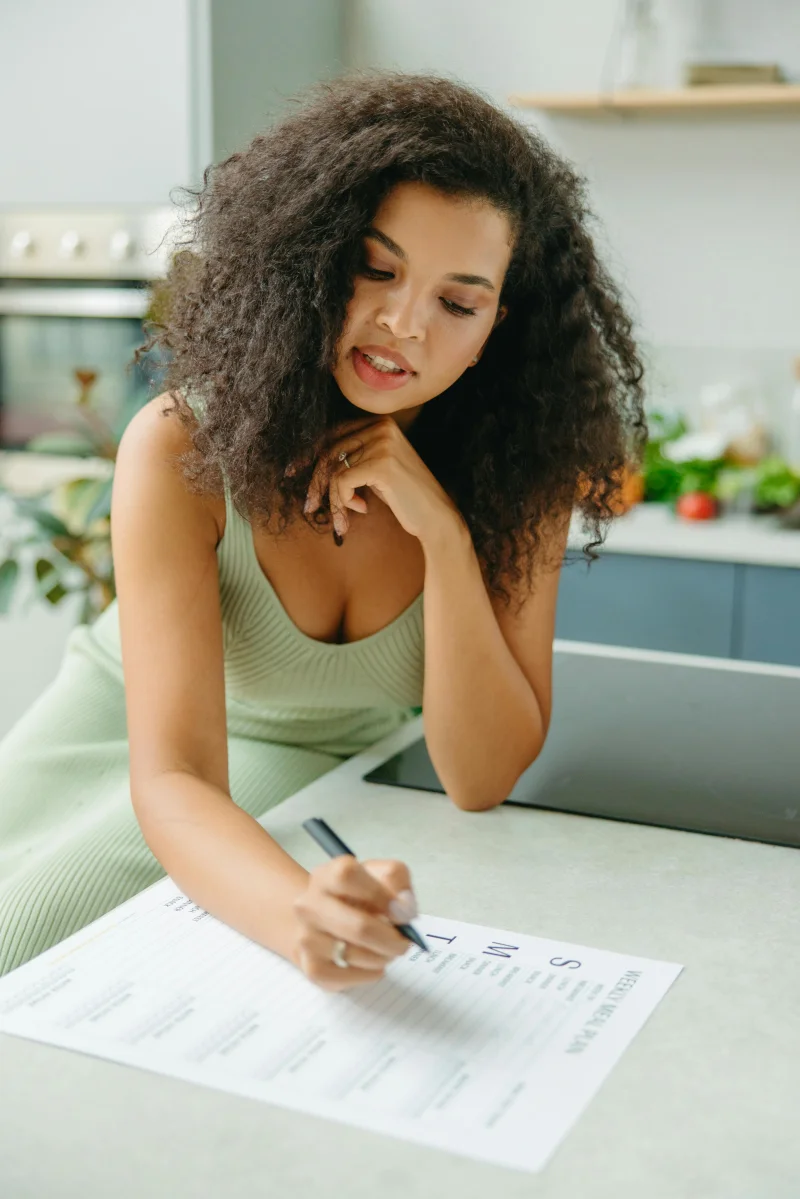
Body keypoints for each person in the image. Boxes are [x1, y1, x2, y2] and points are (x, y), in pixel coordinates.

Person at [0, 73, 644, 984]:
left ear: (496, 325)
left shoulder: (517, 478)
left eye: (456, 303)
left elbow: (480, 776)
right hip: (126, 732)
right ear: (311, 256)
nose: (402, 322)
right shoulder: (182, 446)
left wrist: (445, 536)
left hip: (314, 768)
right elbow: (175, 774)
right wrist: (292, 911)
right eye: (375, 268)